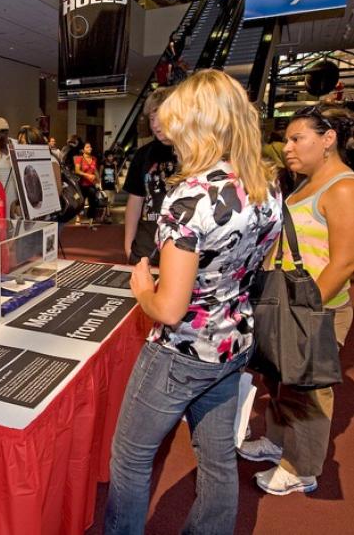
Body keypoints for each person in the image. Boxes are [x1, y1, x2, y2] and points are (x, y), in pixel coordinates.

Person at [105, 70, 282, 535]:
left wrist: (143, 285)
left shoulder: (189, 197)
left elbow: (168, 309)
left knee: (130, 458)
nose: (173, 136)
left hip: (181, 351)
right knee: (219, 458)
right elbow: (252, 265)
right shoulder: (266, 184)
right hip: (233, 341)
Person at [238, 105, 354, 496]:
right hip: (288, 302)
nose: (287, 147)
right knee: (281, 377)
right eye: (286, 139)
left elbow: (344, 262)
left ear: (328, 139)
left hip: (318, 308)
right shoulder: (305, 183)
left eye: (296, 138)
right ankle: (276, 441)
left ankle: (302, 466)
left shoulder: (343, 187)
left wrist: (306, 309)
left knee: (307, 388)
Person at [123, 86, 178, 265]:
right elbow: (135, 199)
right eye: (152, 119)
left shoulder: (193, 155)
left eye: (160, 117)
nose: (154, 125)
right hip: (145, 249)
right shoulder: (143, 154)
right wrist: (128, 246)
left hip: (182, 250)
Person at [74, 141, 103, 223]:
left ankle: (91, 218)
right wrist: (87, 175)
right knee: (80, 202)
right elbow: (77, 171)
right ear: (83, 150)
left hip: (91, 184)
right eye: (87, 147)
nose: (90, 148)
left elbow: (95, 171)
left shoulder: (94, 158)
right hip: (81, 184)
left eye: (90, 147)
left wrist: (99, 180)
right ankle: (78, 216)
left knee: (93, 201)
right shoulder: (79, 158)